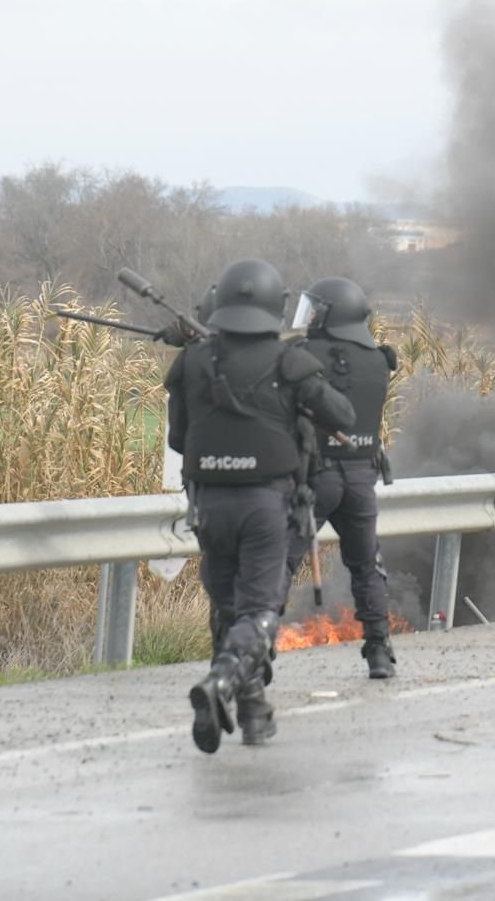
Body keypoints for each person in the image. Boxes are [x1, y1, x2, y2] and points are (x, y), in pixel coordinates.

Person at [164, 258, 354, 753]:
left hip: (207, 505)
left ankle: (253, 713)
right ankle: (222, 681)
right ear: (275, 306)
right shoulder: (289, 364)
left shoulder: (192, 361)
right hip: (265, 505)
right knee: (260, 610)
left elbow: (180, 438)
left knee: (228, 607)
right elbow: (343, 414)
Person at [288, 276, 401, 679]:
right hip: (361, 478)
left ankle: (255, 649)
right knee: (367, 566)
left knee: (278, 563)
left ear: (331, 313)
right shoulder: (379, 358)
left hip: (315, 476)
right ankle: (379, 651)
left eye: (316, 309)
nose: (311, 316)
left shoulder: (303, 354)